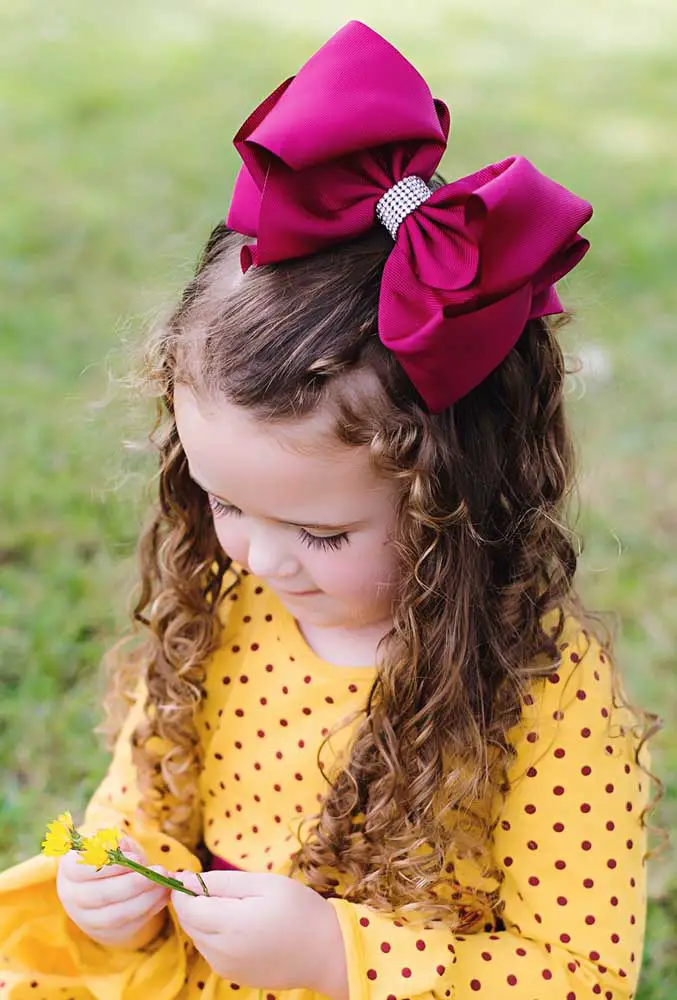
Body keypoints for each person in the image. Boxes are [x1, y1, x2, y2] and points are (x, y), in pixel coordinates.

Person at [0, 19, 663, 1000]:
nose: (262, 559)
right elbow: (142, 800)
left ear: (455, 502)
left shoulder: (541, 694)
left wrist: (335, 959)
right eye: (223, 502)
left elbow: (581, 975)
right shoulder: (220, 607)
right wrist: (121, 880)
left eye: (321, 533)